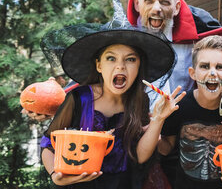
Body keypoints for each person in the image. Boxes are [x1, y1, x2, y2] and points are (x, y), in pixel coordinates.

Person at [39, 19, 186, 188]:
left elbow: (140, 156)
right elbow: (48, 145)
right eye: (111, 58)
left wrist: (158, 120)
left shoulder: (140, 101)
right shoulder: (79, 99)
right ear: (99, 65)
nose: (120, 67)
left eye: (130, 59)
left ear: (139, 66)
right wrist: (54, 175)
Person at [126, 0, 222, 106]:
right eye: (149, 1)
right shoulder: (123, 37)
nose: (156, 9)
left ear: (177, 7)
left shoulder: (200, 29)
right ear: (137, 4)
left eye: (165, 2)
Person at [157, 35, 222, 189]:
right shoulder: (179, 106)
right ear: (192, 73)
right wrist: (154, 124)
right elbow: (165, 149)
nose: (213, 73)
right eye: (205, 66)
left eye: (220, 67)